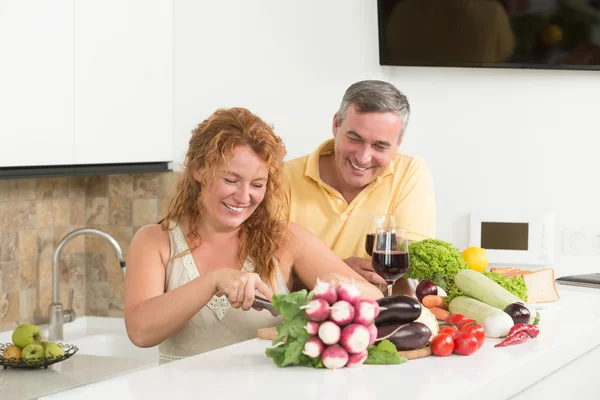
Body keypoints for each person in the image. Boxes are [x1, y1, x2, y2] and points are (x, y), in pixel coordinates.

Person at [124, 107, 382, 363]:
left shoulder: (285, 239)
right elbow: (140, 332)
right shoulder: (155, 241)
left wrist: (338, 286)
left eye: (257, 184)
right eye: (231, 180)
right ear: (199, 171)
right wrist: (214, 280)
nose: (244, 196)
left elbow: (378, 303)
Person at [283, 80, 435, 293]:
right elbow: (270, 280)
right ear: (336, 125)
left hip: (378, 316)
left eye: (380, 146)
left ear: (398, 144)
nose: (363, 158)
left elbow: (409, 278)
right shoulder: (284, 177)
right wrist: (334, 273)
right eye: (355, 139)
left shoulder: (410, 172)